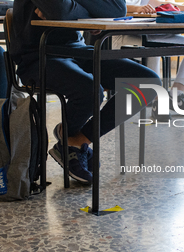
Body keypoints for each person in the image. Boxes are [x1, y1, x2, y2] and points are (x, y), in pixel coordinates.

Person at [11, 0, 162, 184]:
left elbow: (117, 8)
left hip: (78, 50)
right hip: (38, 55)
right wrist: (90, 13)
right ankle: (71, 139)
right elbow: (60, 10)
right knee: (91, 90)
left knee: (147, 82)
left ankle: (76, 140)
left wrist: (74, 10)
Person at [111, 0, 184, 122]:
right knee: (154, 48)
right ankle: (157, 100)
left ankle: (176, 94)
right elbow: (111, 7)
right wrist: (137, 8)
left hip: (146, 31)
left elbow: (154, 3)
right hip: (121, 34)